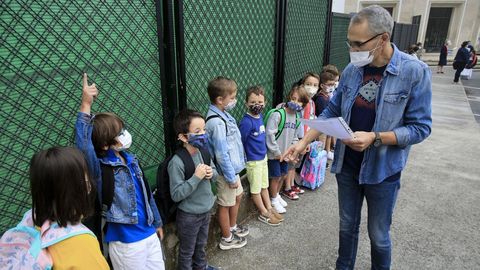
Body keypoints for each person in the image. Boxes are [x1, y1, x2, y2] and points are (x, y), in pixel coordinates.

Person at [282, 5, 432, 270]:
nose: (352, 49)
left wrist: (376, 137)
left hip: (382, 171)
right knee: (346, 227)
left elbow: (420, 128)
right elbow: (331, 112)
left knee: (379, 236)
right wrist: (303, 142)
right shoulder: (353, 70)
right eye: (349, 42)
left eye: (357, 43)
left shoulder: (414, 72)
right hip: (348, 167)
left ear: (383, 38)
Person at [75, 74, 165, 269]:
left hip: (149, 233)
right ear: (106, 144)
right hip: (126, 243)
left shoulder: (131, 160)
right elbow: (84, 146)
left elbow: (146, 194)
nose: (124, 135)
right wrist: (85, 105)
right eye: (119, 133)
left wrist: (157, 222)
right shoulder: (100, 168)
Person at [0, 147, 109, 269]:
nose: (89, 183)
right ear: (73, 190)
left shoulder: (31, 219)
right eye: (84, 177)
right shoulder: (81, 242)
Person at [168, 109, 219, 270]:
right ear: (183, 137)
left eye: (204, 129)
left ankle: (201, 266)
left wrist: (212, 173)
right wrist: (196, 177)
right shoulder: (177, 162)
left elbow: (215, 174)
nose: (203, 134)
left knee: (201, 245)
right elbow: (176, 194)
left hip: (206, 209)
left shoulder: (204, 152)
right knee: (187, 251)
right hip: (189, 215)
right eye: (197, 131)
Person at [205, 76, 249, 250]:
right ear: (220, 100)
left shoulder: (224, 115)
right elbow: (221, 154)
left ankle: (232, 227)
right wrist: (231, 177)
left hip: (233, 169)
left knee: (237, 197)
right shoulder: (216, 122)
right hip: (226, 172)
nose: (234, 101)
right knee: (225, 204)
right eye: (232, 97)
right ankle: (227, 238)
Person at [239, 86, 283, 226]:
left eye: (260, 102)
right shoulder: (246, 122)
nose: (256, 105)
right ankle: (263, 213)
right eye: (252, 102)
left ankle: (269, 208)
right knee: (256, 189)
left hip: (263, 158)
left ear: (264, 103)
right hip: (254, 162)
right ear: (246, 103)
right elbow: (242, 141)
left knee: (264, 186)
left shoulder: (260, 117)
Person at [266, 85, 309, 209]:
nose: (295, 102)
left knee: (283, 174)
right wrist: (276, 152)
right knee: (276, 177)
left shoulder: (296, 117)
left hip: (286, 154)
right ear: (289, 97)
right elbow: (270, 135)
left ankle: (277, 195)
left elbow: (295, 137)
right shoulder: (278, 114)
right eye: (293, 98)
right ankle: (273, 199)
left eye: (299, 101)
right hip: (275, 154)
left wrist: (292, 151)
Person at [313, 71, 337, 160]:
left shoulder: (327, 96)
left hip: (326, 124)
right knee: (321, 143)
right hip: (322, 125)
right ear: (322, 85)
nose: (332, 87)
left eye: (333, 84)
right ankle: (319, 159)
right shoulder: (321, 98)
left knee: (327, 137)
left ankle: (326, 154)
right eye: (329, 84)